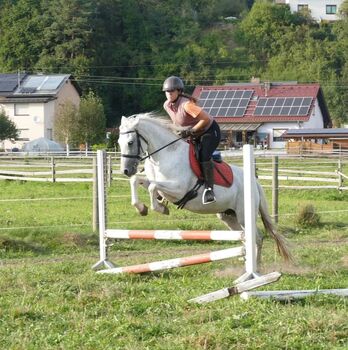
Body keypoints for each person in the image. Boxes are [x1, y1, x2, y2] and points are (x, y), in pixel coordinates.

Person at [162, 76, 221, 205]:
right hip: (193, 134)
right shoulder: (167, 105)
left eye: (172, 91)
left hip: (210, 131)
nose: (169, 94)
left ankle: (209, 190)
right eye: (167, 91)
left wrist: (190, 131)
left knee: (203, 156)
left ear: (179, 91)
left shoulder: (187, 105)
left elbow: (205, 119)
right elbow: (177, 122)